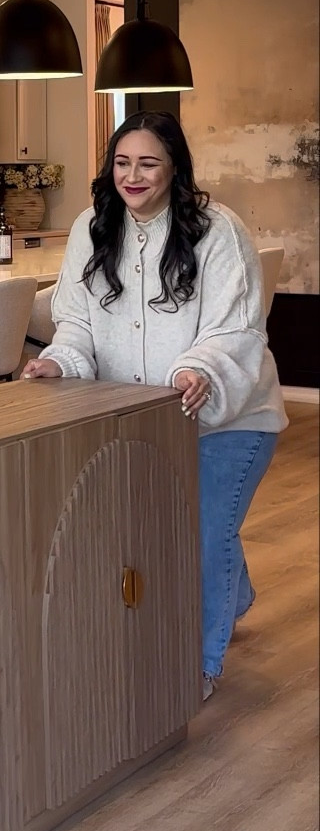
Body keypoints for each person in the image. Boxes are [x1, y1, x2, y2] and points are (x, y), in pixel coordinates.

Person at [23, 110, 285, 700]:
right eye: (122, 163)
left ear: (174, 169)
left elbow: (237, 331)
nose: (132, 176)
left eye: (148, 163)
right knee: (184, 526)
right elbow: (75, 324)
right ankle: (233, 595)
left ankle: (199, 664)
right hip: (144, 416)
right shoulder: (91, 227)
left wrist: (200, 369)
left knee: (202, 533)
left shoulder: (218, 230)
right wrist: (57, 362)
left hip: (230, 416)